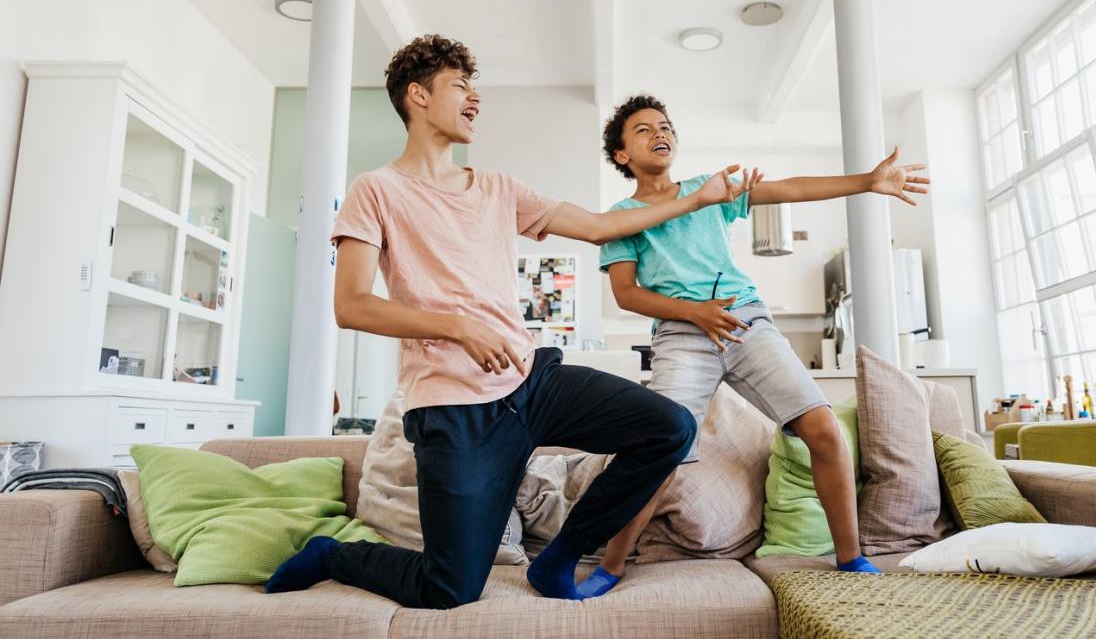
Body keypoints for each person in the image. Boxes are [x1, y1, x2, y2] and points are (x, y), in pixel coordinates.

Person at [264, 36, 756, 608]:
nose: (475, 99)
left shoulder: (498, 188)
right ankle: (335, 554)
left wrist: (696, 202)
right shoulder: (375, 191)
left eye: (476, 89)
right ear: (418, 96)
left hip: (531, 383)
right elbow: (351, 304)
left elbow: (599, 226)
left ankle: (561, 556)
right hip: (453, 408)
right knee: (448, 587)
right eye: (460, 87)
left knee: (670, 427)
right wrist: (455, 326)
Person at [579, 94, 931, 596]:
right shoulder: (622, 216)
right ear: (621, 155)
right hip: (682, 335)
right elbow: (626, 294)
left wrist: (868, 182)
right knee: (657, 452)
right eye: (642, 129)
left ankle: (852, 561)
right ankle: (610, 567)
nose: (660, 131)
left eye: (666, 124)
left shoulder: (709, 188)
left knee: (824, 429)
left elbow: (789, 188)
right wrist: (696, 312)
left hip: (745, 320)